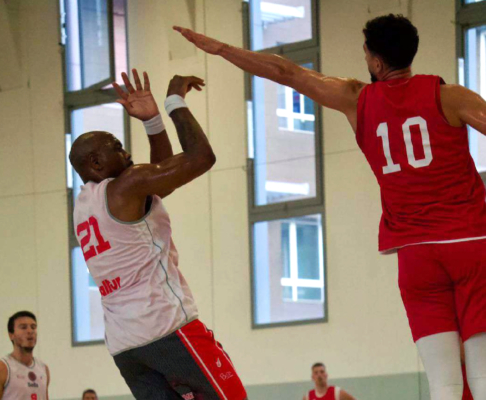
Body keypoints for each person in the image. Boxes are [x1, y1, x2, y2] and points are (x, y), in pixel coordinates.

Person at [175, 13, 486, 400]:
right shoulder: (451, 96)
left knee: (444, 382)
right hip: (471, 243)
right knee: (482, 375)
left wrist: (222, 48)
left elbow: (286, 72)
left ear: (376, 62)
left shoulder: (357, 99)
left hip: (416, 255)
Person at [69, 69, 247, 400]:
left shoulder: (83, 206)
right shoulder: (127, 184)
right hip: (165, 327)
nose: (126, 153)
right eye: (117, 148)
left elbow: (161, 182)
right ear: (96, 162)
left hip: (126, 347)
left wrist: (152, 122)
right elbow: (201, 158)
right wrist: (174, 101)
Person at [0, 311, 50, 400]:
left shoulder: (43, 369)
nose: (30, 331)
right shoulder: (0, 369)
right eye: (23, 327)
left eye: (33, 327)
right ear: (11, 335)